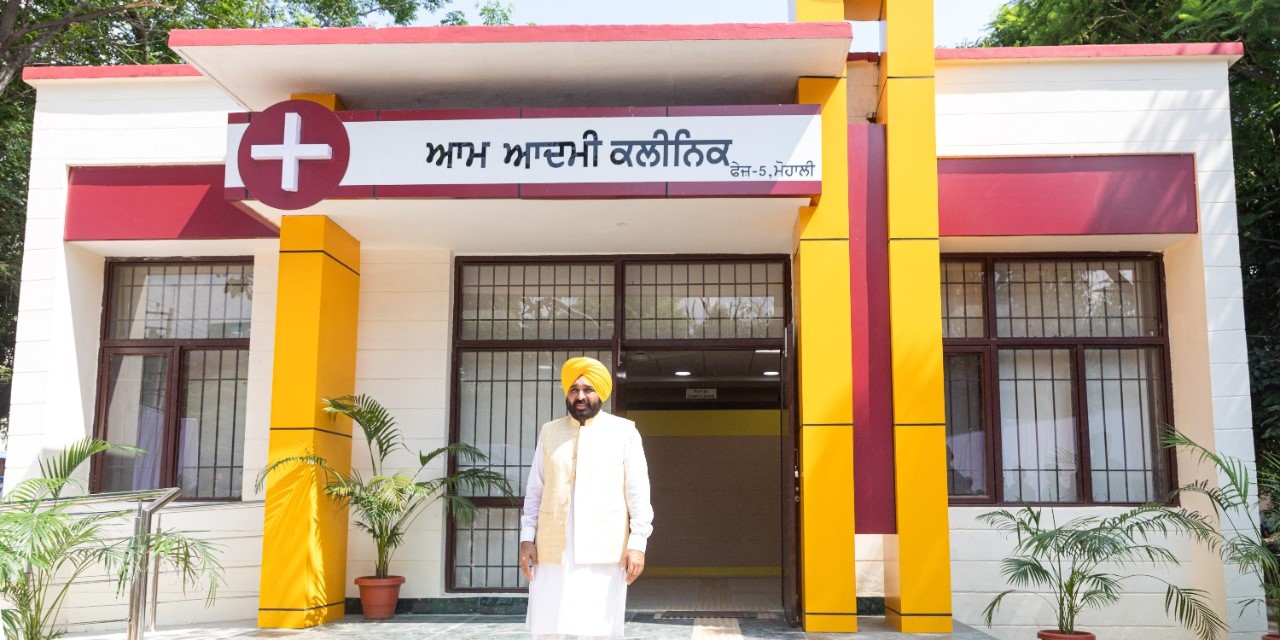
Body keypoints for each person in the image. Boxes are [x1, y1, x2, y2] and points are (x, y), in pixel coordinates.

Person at [519, 356, 654, 640]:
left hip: (604, 552)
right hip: (553, 549)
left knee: (599, 630)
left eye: (588, 389)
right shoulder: (549, 431)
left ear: (601, 392)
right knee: (548, 627)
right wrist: (527, 538)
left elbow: (639, 495)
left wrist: (638, 544)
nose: (580, 396)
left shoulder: (624, 432)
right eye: (574, 389)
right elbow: (535, 491)